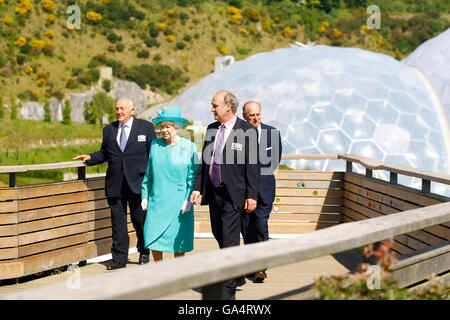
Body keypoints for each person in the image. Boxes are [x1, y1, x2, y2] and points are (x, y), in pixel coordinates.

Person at [190, 91, 260, 300]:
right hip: (214, 191)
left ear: (227, 107)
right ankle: (235, 273)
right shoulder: (212, 129)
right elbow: (205, 162)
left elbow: (252, 164)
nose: (211, 109)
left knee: (229, 240)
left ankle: (227, 293)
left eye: (214, 105)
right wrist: (197, 188)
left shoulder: (246, 130)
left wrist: (252, 195)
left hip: (235, 194)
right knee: (218, 233)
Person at [73, 97, 156, 270]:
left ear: (132, 110)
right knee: (118, 224)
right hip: (115, 184)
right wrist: (90, 157)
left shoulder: (146, 128)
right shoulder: (108, 130)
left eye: (122, 109)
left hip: (138, 184)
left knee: (139, 220)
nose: (119, 112)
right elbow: (105, 153)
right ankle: (119, 259)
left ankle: (144, 251)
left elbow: (153, 155)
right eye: (117, 108)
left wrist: (153, 182)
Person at [141, 106, 199, 261]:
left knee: (178, 239)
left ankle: (177, 273)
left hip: (179, 201)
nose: (164, 130)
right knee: (152, 235)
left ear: (176, 127)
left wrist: (188, 200)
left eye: (168, 126)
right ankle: (160, 271)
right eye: (161, 127)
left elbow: (192, 177)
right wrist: (144, 196)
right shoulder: (155, 145)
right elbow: (149, 174)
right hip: (157, 200)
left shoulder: (190, 147)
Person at [241, 101, 282, 282]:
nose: (256, 118)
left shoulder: (272, 133)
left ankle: (261, 267)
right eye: (252, 115)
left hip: (264, 189)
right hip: (242, 191)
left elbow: (274, 161)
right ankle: (250, 266)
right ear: (244, 116)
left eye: (258, 114)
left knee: (260, 225)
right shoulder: (237, 134)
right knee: (246, 228)